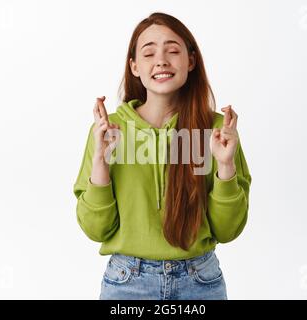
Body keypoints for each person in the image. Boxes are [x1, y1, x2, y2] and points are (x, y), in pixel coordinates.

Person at [73, 12, 252, 300]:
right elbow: (96, 229)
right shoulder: (110, 131)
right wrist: (100, 164)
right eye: (148, 53)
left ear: (191, 61)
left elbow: (228, 230)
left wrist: (226, 166)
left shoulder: (218, 131)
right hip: (127, 283)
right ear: (134, 66)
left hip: (200, 281)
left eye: (172, 50)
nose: (161, 60)